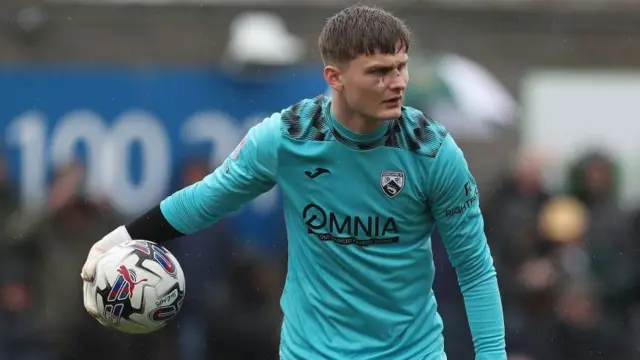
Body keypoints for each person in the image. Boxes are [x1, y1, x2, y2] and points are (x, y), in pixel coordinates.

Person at [81, 5, 506, 360]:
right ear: (335, 77)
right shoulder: (288, 136)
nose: (397, 83)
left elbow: (474, 268)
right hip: (310, 353)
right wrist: (116, 240)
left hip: (411, 353)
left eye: (401, 67)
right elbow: (207, 200)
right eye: (379, 71)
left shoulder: (433, 152)